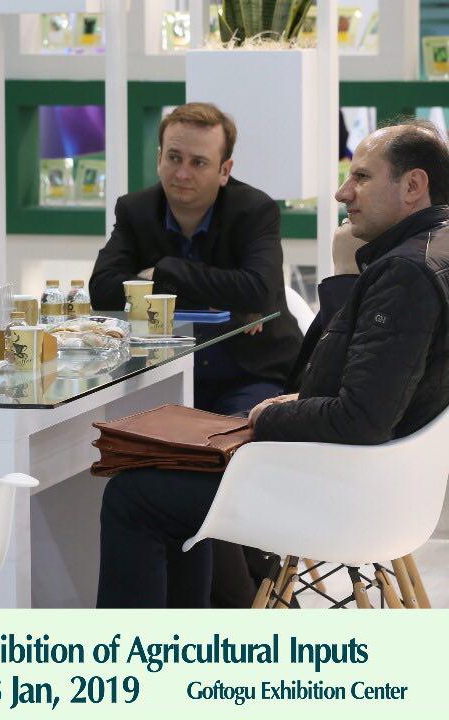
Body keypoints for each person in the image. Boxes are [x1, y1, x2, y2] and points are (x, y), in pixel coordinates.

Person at [96, 120, 449, 609]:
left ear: (413, 186)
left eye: (362, 177)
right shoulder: (428, 253)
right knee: (169, 466)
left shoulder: (404, 274)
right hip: (378, 481)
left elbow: (358, 418)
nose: (343, 192)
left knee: (133, 493)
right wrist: (346, 273)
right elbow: (346, 378)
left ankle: (145, 650)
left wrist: (268, 416)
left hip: (342, 488)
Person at [89, 102, 303, 417]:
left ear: (224, 171)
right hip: (161, 374)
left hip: (251, 373)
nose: (182, 173)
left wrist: (163, 272)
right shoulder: (136, 210)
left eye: (198, 162)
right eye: (174, 157)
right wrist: (220, 295)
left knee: (234, 437)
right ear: (159, 158)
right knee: (122, 435)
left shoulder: (255, 210)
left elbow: (258, 290)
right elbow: (103, 290)